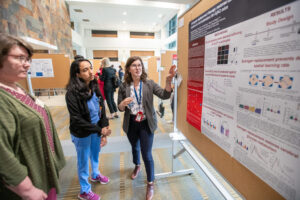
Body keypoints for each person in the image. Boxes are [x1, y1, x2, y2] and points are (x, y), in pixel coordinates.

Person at [0, 33, 66, 200]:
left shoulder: (16, 88)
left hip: (42, 173)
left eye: (28, 59)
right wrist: (26, 189)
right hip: (25, 186)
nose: (27, 64)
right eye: (20, 58)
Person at [117, 56, 176, 200]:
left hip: (146, 122)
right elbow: (119, 107)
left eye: (140, 65)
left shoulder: (149, 84)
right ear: (129, 69)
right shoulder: (124, 86)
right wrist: (123, 103)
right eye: (134, 66)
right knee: (134, 148)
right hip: (131, 122)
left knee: (147, 153)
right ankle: (137, 165)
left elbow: (165, 95)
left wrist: (168, 81)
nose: (138, 68)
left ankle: (150, 183)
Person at [65, 58, 112, 200]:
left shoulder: (94, 85)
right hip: (82, 132)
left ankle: (95, 174)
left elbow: (101, 107)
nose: (91, 72)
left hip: (96, 129)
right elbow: (77, 119)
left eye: (90, 68)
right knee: (84, 161)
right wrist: (100, 131)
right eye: (85, 70)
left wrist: (104, 126)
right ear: (77, 74)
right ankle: (84, 191)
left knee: (95, 153)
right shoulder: (72, 93)